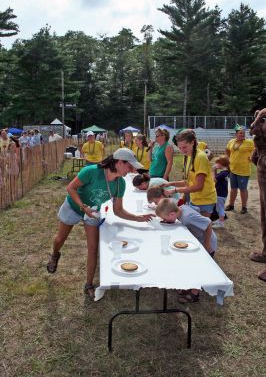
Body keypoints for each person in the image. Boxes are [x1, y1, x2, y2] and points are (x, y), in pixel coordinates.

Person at [47, 148, 154, 299]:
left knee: (93, 248)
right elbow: (71, 188)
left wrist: (138, 218)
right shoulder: (91, 171)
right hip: (73, 206)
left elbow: (118, 211)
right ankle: (55, 254)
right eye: (129, 167)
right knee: (60, 239)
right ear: (118, 162)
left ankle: (89, 284)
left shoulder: (120, 184)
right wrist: (83, 207)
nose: (131, 171)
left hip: (93, 212)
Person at [156, 198, 217, 303]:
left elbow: (208, 223)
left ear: (171, 214)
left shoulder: (188, 217)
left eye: (165, 218)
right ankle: (187, 285)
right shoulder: (180, 210)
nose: (165, 220)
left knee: (200, 268)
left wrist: (207, 244)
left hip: (206, 243)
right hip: (196, 242)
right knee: (190, 265)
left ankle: (194, 293)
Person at [164, 129, 217, 218]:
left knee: (202, 228)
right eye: (180, 148)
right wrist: (171, 183)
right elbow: (188, 181)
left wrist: (175, 190)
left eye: (184, 147)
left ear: (192, 143)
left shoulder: (200, 157)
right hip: (195, 199)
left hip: (205, 200)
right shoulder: (188, 156)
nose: (182, 150)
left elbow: (198, 186)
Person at [249, 108, 266, 282]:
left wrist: (260, 116)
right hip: (263, 172)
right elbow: (254, 131)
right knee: (264, 217)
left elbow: (254, 130)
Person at [225, 124, 255, 214]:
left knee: (243, 189)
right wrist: (228, 159)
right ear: (236, 134)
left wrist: (252, 156)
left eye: (243, 133)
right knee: (233, 188)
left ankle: (244, 207)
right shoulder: (231, 141)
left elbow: (255, 149)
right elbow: (227, 150)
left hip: (243, 171)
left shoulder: (249, 142)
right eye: (240, 133)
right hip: (233, 169)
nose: (242, 135)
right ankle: (231, 205)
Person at [212, 156, 230, 229]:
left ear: (221, 164)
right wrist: (215, 170)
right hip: (222, 193)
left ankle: (221, 223)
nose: (216, 165)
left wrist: (213, 170)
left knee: (220, 208)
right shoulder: (225, 172)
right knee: (218, 208)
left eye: (217, 163)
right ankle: (220, 220)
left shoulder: (223, 173)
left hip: (220, 194)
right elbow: (217, 177)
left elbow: (214, 179)